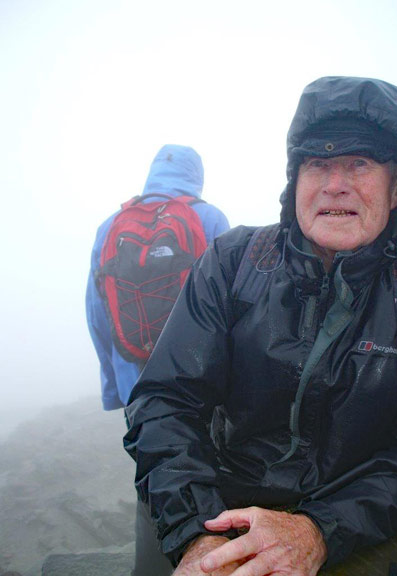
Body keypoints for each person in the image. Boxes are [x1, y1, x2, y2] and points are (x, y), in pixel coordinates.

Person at [124, 77, 397, 576]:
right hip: (219, 501)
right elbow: (166, 400)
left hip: (356, 513)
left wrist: (318, 530)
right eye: (318, 163)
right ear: (296, 179)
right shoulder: (233, 261)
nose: (336, 184)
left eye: (360, 163)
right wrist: (198, 535)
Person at [86, 144, 230, 575]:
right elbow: (233, 305)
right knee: (208, 470)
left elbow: (97, 314)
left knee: (155, 472)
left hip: (138, 385)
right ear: (196, 176)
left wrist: (116, 389)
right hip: (198, 381)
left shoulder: (111, 226)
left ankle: (150, 567)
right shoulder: (209, 219)